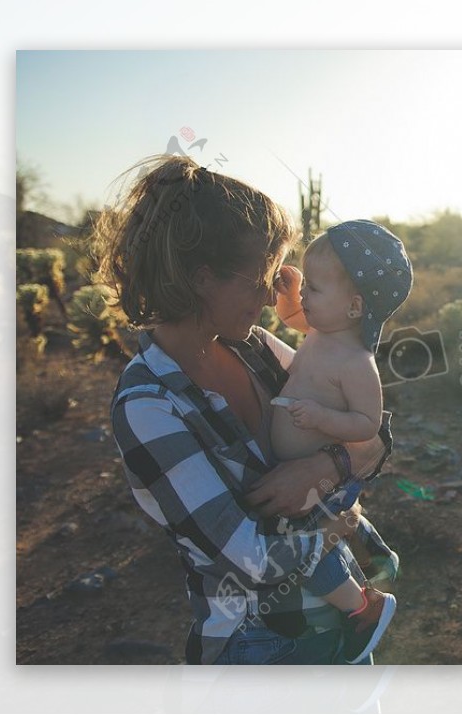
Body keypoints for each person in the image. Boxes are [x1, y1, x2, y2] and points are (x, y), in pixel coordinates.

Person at [95, 155, 393, 665]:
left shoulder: (254, 347)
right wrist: (334, 521)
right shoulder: (149, 406)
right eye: (261, 278)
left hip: (338, 625)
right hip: (261, 644)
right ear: (202, 279)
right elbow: (248, 559)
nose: (273, 294)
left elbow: (376, 435)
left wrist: (327, 466)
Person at [264, 220, 412, 664]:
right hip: (303, 472)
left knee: (304, 546)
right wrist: (292, 291)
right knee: (320, 526)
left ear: (354, 306)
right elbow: (293, 317)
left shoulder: (355, 362)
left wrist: (324, 416)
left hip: (317, 478)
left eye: (315, 288)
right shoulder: (321, 332)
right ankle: (374, 549)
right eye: (306, 285)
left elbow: (367, 423)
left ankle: (364, 607)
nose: (306, 297)